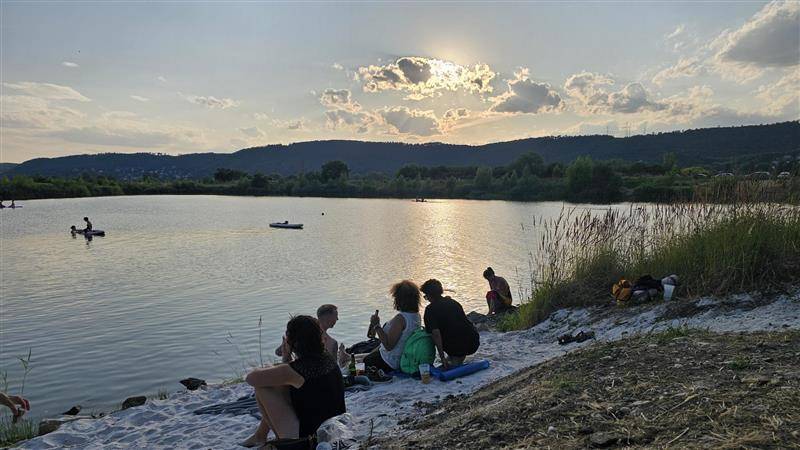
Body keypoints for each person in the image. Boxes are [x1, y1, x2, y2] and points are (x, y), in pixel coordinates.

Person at [242, 315, 345, 447]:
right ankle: (259, 435)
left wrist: (284, 360)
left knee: (263, 389)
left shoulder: (295, 370)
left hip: (311, 439)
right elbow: (290, 380)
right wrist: (286, 362)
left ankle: (283, 443)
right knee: (282, 387)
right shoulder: (327, 359)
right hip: (336, 429)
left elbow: (251, 378)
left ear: (292, 341)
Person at [363, 280, 421, 373]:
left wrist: (377, 326)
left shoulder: (401, 319)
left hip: (391, 362)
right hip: (403, 357)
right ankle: (348, 357)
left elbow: (388, 346)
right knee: (370, 351)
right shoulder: (416, 316)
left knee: (366, 360)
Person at [420, 279, 480, 369]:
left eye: (426, 296)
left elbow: (436, 335)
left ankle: (455, 359)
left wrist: (442, 357)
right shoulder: (453, 302)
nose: (426, 299)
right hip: (473, 341)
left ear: (430, 295)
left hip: (458, 346)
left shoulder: (430, 310)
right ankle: (455, 357)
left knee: (430, 333)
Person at [275, 304, 348, 367]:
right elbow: (333, 369)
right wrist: (342, 360)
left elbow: (278, 352)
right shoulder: (332, 343)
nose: (337, 319)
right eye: (335, 316)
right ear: (327, 318)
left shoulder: (301, 334)